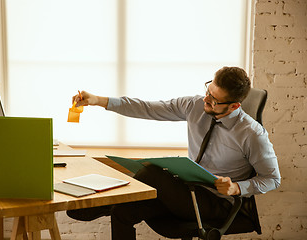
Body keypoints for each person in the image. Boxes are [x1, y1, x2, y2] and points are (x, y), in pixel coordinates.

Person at [67, 66, 281, 240]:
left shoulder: (252, 134)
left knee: (152, 172)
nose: (206, 100)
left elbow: (273, 179)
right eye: (208, 91)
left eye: (214, 100)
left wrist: (236, 188)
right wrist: (98, 100)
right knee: (123, 213)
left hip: (216, 203)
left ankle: (106, 201)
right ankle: (115, 203)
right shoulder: (195, 105)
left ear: (234, 105)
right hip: (185, 193)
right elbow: (147, 108)